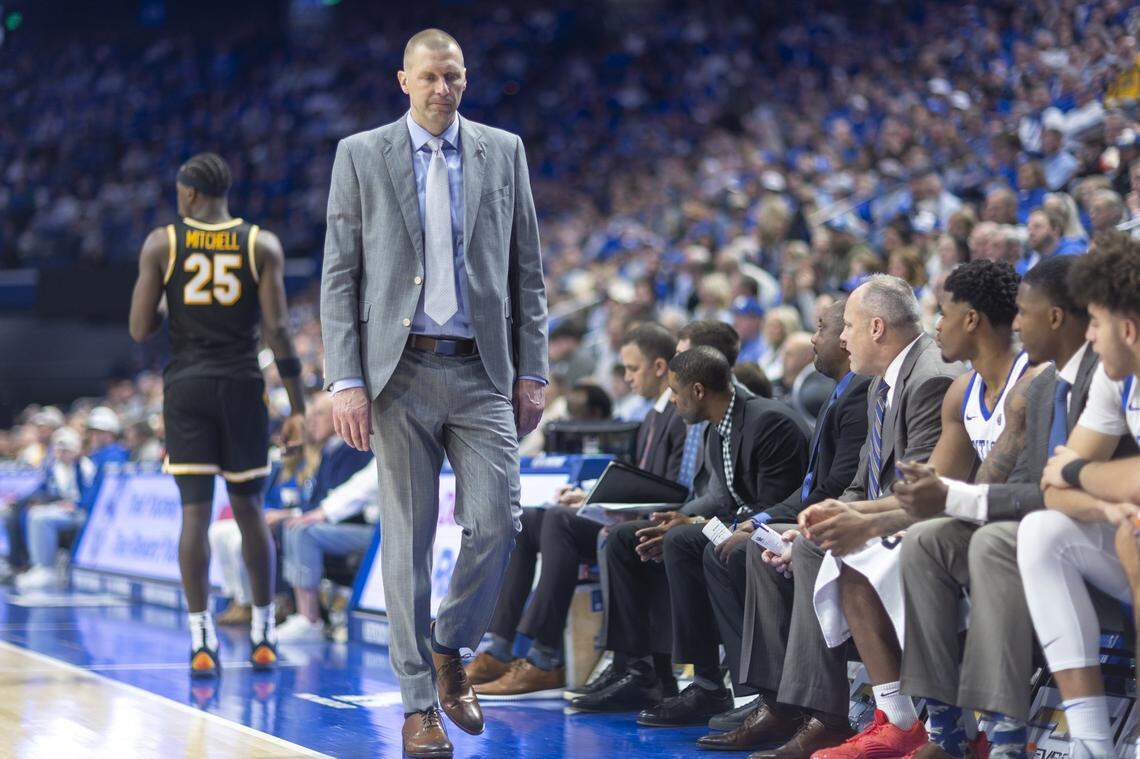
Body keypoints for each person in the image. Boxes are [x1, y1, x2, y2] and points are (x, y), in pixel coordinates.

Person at [319, 29, 548, 758]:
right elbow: (339, 275)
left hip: (482, 369)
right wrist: (345, 378)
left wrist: (533, 368)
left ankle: (450, 645)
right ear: (403, 80)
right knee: (407, 545)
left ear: (465, 79)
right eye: (429, 77)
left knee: (499, 520)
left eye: (453, 76)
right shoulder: (360, 154)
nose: (441, 88)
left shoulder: (503, 150)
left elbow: (529, 272)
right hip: (398, 373)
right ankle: (419, 704)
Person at [800, 259, 1024, 759]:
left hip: (1026, 527)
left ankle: (997, 735)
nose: (934, 325)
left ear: (972, 320)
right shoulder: (962, 392)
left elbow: (964, 495)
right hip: (981, 520)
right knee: (908, 541)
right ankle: (941, 729)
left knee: (935, 542)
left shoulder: (1023, 385)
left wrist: (865, 519)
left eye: (942, 313)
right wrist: (855, 518)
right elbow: (930, 491)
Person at [731, 275, 963, 759]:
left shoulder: (930, 377)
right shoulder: (882, 381)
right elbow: (861, 484)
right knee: (781, 542)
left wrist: (831, 524)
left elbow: (916, 491)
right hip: (891, 519)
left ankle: (833, 715)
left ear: (877, 328)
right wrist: (810, 522)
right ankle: (788, 702)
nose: (840, 336)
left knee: (822, 544)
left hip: (930, 524)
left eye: (849, 326)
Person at [895, 254, 1098, 759]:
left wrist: (948, 497)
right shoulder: (1051, 385)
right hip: (1044, 528)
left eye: (1023, 313)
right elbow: (1033, 487)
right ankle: (944, 729)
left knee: (995, 541)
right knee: (924, 539)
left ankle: (1006, 738)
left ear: (1054, 317)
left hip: (1095, 535)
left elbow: (1049, 492)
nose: (1016, 323)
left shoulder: (1038, 385)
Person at [129, 152, 306, 678]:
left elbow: (140, 329)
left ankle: (202, 639)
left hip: (187, 388)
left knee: (195, 517)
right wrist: (297, 405)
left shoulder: (164, 242)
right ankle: (263, 632)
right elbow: (277, 334)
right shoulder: (261, 244)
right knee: (250, 511)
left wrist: (167, 300)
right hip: (241, 385)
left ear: (187, 195)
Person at [571, 346, 809, 714]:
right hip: (737, 524)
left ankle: (712, 684)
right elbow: (720, 500)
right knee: (630, 536)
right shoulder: (718, 430)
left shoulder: (769, 422)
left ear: (698, 391)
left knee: (683, 541)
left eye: (676, 393)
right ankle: (641, 670)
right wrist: (680, 517)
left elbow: (769, 509)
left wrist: (696, 525)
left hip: (771, 529)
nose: (673, 402)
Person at [688, 299, 870, 747]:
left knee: (753, 549)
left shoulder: (861, 392)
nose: (816, 338)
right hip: (816, 512)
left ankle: (790, 705)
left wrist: (785, 526)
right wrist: (762, 519)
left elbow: (837, 489)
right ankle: (771, 698)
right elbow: (814, 488)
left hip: (849, 521)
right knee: (730, 545)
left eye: (824, 328)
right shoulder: (840, 391)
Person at [467, 324, 681, 697]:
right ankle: (500, 647)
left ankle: (544, 657)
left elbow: (670, 490)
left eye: (633, 369)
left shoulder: (679, 415)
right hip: (629, 513)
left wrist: (595, 504)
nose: (626, 379)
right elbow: (638, 480)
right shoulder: (651, 416)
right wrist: (588, 494)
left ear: (659, 367)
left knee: (559, 520)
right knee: (530, 518)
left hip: (648, 522)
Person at [1019, 235, 1140, 759]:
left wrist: (1079, 468)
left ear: (1128, 330)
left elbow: (1071, 467)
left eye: (1095, 324)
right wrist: (1108, 501)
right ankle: (1092, 744)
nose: (1089, 338)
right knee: (1043, 531)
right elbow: (1052, 486)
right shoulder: (1119, 381)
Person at [11, 428, 95, 592]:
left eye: (66, 450)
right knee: (33, 513)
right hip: (62, 509)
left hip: (81, 512)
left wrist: (76, 505)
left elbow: (90, 494)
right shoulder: (54, 467)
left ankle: (46, 568)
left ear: (75, 450)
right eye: (59, 450)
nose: (62, 454)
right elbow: (43, 490)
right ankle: (36, 565)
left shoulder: (84, 466)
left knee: (40, 518)